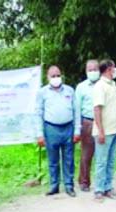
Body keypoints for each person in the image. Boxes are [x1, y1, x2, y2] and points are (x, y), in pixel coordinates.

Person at [36, 65, 81, 197]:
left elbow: (76, 111)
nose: (56, 78)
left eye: (58, 75)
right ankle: (54, 185)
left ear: (61, 75)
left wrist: (77, 131)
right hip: (51, 128)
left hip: (68, 128)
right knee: (53, 159)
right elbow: (38, 113)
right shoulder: (42, 92)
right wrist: (39, 134)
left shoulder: (69, 91)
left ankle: (69, 185)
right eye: (53, 76)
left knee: (69, 159)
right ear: (47, 77)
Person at [92, 59, 116, 202]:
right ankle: (98, 190)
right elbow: (97, 109)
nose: (115, 70)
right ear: (109, 69)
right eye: (113, 67)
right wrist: (100, 131)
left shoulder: (113, 85)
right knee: (101, 161)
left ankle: (108, 187)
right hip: (105, 131)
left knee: (111, 161)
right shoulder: (100, 86)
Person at [75, 59, 99, 192]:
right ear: (86, 71)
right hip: (87, 122)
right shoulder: (81, 87)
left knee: (102, 154)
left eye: (95, 69)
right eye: (90, 70)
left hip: (102, 122)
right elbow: (77, 108)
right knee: (86, 153)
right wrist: (77, 128)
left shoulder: (105, 84)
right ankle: (84, 182)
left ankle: (103, 183)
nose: (93, 72)